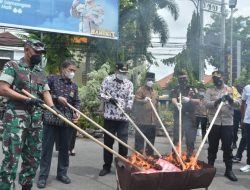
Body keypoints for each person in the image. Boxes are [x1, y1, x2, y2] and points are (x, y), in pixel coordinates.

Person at [0, 39, 54, 190]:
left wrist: (53, 108)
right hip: (15, 120)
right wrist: (27, 99)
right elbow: (3, 88)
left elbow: (45, 91)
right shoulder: (13, 66)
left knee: (32, 159)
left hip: (36, 122)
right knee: (11, 159)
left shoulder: (39, 72)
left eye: (41, 53)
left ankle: (26, 187)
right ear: (26, 50)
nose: (39, 55)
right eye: (37, 52)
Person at [37, 60, 80, 188]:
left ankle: (62, 173)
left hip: (66, 120)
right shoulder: (51, 79)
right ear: (63, 69)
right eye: (70, 70)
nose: (72, 73)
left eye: (74, 71)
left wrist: (77, 111)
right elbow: (43, 93)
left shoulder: (74, 86)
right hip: (51, 118)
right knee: (47, 149)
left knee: (64, 149)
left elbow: (76, 101)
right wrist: (56, 98)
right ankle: (43, 176)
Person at [98, 62, 134, 176]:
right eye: (121, 72)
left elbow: (130, 98)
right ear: (116, 70)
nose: (123, 74)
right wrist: (109, 99)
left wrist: (128, 107)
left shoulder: (129, 83)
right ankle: (106, 166)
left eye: (125, 73)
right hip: (109, 117)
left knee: (123, 143)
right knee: (108, 143)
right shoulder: (108, 80)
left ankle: (122, 166)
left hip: (123, 118)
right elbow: (100, 94)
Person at [204, 70, 240, 181]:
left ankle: (228, 170)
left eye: (218, 78)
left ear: (223, 78)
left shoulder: (231, 90)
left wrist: (231, 100)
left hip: (227, 124)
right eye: (214, 79)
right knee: (212, 147)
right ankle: (210, 168)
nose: (217, 80)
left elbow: (238, 105)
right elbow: (206, 103)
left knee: (227, 147)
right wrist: (216, 102)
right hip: (214, 123)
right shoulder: (209, 91)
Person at [171, 70, 200, 158]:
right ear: (178, 79)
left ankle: (189, 157)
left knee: (190, 139)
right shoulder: (176, 88)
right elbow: (173, 98)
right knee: (177, 138)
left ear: (187, 78)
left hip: (191, 117)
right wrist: (177, 104)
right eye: (181, 78)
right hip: (179, 116)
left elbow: (198, 101)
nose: (183, 80)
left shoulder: (192, 88)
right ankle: (175, 157)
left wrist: (189, 100)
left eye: (184, 78)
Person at [133, 72, 159, 155]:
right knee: (139, 145)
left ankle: (149, 160)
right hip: (142, 122)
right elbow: (135, 101)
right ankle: (138, 161)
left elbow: (156, 106)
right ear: (145, 80)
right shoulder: (140, 90)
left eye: (152, 80)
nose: (150, 82)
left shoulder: (155, 92)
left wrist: (157, 118)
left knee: (150, 145)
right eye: (149, 80)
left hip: (152, 122)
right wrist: (143, 101)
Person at [239, 84, 250, 172]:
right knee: (249, 143)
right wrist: (242, 118)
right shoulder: (247, 88)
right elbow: (243, 104)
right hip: (248, 120)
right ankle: (249, 164)